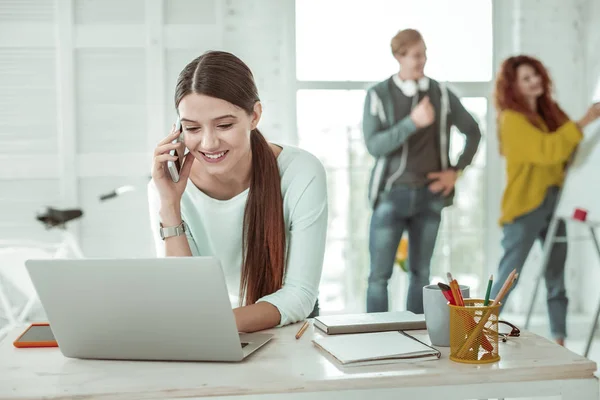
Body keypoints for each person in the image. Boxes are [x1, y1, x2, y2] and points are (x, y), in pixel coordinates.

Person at [147, 51, 328, 333]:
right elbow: (185, 299)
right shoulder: (166, 188)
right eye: (192, 128)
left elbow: (300, 296)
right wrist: (169, 206)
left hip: (286, 325)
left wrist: (212, 326)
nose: (208, 143)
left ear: (254, 116)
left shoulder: (301, 172)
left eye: (225, 125)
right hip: (212, 328)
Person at [363, 29, 482, 314]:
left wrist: (455, 171)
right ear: (398, 56)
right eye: (416, 55)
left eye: (424, 54)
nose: (422, 60)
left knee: (421, 274)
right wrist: (412, 123)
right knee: (379, 277)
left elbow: (474, 132)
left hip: (430, 196)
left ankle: (416, 336)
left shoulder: (441, 93)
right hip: (392, 196)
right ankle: (374, 339)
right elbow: (374, 145)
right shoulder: (378, 95)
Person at [490, 55, 600, 346]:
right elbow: (548, 151)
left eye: (536, 74)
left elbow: (572, 148)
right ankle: (479, 334)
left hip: (555, 201)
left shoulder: (549, 112)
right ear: (513, 86)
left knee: (556, 276)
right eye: (526, 78)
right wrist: (586, 119)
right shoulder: (511, 120)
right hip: (525, 207)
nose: (535, 81)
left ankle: (560, 340)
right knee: (508, 277)